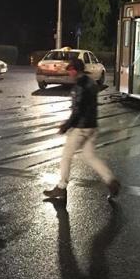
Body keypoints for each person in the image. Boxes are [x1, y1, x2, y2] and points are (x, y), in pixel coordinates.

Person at [44, 58, 121, 201]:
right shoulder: (91, 82)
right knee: (90, 156)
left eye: (70, 70)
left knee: (66, 156)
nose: (69, 73)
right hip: (92, 125)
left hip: (81, 127)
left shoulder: (79, 86)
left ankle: (62, 187)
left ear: (74, 70)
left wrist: (66, 126)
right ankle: (111, 181)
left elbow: (77, 110)